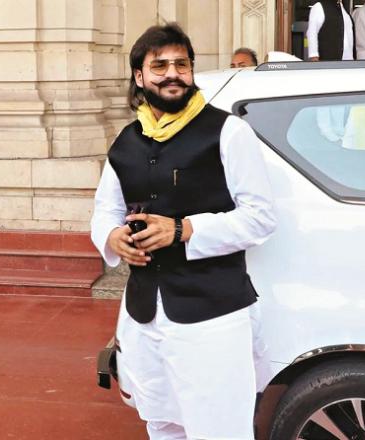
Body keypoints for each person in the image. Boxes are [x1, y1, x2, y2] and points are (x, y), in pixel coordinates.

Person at [90, 24, 277, 440]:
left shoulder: (228, 132)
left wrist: (185, 229)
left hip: (211, 313)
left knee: (219, 429)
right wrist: (112, 239)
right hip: (144, 312)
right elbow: (106, 210)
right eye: (160, 66)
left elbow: (261, 217)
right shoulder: (126, 141)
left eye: (181, 64)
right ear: (139, 76)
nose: (172, 74)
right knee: (162, 422)